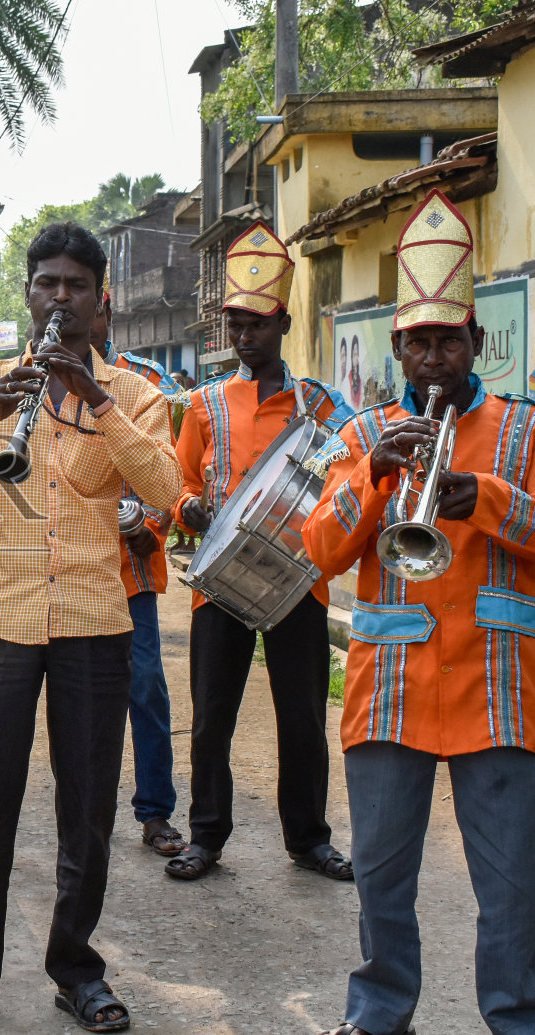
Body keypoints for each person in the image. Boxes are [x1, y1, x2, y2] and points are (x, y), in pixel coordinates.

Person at [304, 190, 535, 1035]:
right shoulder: (361, 434)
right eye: (419, 343)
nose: (434, 359)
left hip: (500, 696)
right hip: (390, 691)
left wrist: (489, 497)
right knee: (381, 882)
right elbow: (320, 549)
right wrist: (372, 479)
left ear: (476, 341)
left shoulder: (527, 431)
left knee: (512, 888)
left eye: (449, 341)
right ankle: (379, 1012)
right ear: (397, 347)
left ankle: (517, 1017)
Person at [0, 222, 182, 1034]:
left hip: (97, 624)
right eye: (46, 285)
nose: (60, 299)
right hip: (1, 620)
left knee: (89, 807)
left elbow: (165, 487)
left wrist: (97, 400)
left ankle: (77, 967)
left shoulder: (134, 393)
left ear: (101, 301)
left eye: (75, 286)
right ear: (27, 295)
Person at [167, 220, 355, 883]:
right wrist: (186, 506)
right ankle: (205, 836)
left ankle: (308, 838)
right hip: (217, 585)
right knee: (211, 717)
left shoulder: (324, 409)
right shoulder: (202, 403)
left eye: (257, 324)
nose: (244, 336)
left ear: (283, 323)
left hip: (297, 586)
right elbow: (180, 481)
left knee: (301, 717)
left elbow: (343, 486)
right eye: (235, 324)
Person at [89, 296, 186, 858]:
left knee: (145, 685)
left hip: (130, 571)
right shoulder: (40, 379)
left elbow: (165, 466)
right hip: (68, 571)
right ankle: (83, 812)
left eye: (88, 300)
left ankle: (154, 812)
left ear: (105, 309)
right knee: (75, 695)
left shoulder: (146, 382)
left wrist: (150, 525)